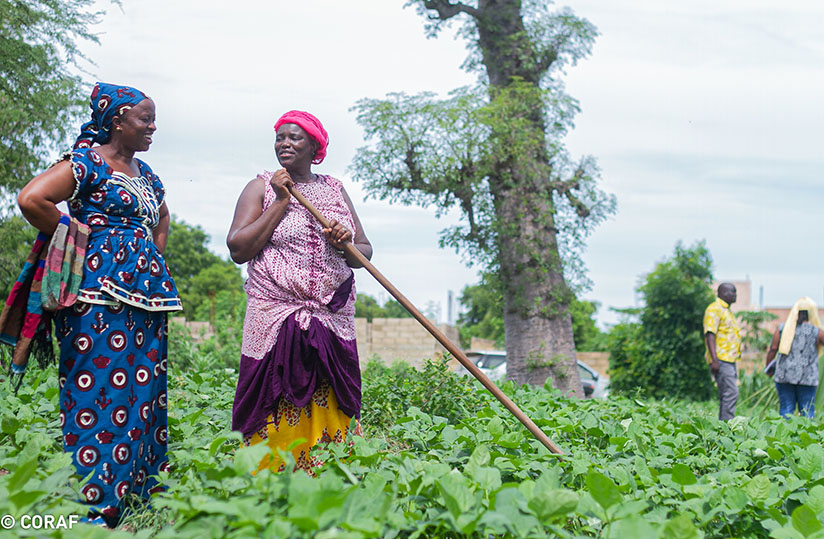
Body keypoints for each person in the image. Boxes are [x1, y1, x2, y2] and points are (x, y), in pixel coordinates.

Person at [16, 82, 180, 526]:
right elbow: (32, 199)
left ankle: (139, 492)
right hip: (93, 295)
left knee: (144, 391)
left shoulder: (147, 175)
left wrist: (152, 251)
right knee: (99, 388)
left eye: (153, 118)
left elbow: (162, 214)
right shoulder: (87, 162)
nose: (152, 126)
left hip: (146, 295)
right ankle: (97, 501)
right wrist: (79, 237)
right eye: (145, 118)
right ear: (118, 120)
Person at [228, 111, 372, 472]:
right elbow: (238, 249)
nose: (285, 144)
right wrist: (280, 201)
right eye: (280, 138)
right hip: (275, 313)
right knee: (272, 397)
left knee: (329, 398)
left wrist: (345, 243)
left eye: (295, 138)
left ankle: (326, 474)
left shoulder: (335, 190)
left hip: (330, 317)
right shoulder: (261, 187)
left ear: (315, 147)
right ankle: (269, 478)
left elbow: (365, 254)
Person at [764, 297, 823, 418]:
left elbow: (773, 349)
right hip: (808, 377)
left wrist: (768, 367)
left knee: (786, 409)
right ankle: (806, 436)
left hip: (784, 376)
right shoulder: (817, 331)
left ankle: (784, 436)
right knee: (807, 410)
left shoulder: (782, 328)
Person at [704, 283, 741, 420]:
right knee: (731, 393)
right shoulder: (714, 309)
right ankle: (726, 429)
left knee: (727, 394)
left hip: (729, 360)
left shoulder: (727, 311)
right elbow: (710, 334)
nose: (735, 295)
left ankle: (723, 429)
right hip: (721, 359)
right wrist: (714, 360)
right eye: (732, 292)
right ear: (722, 292)